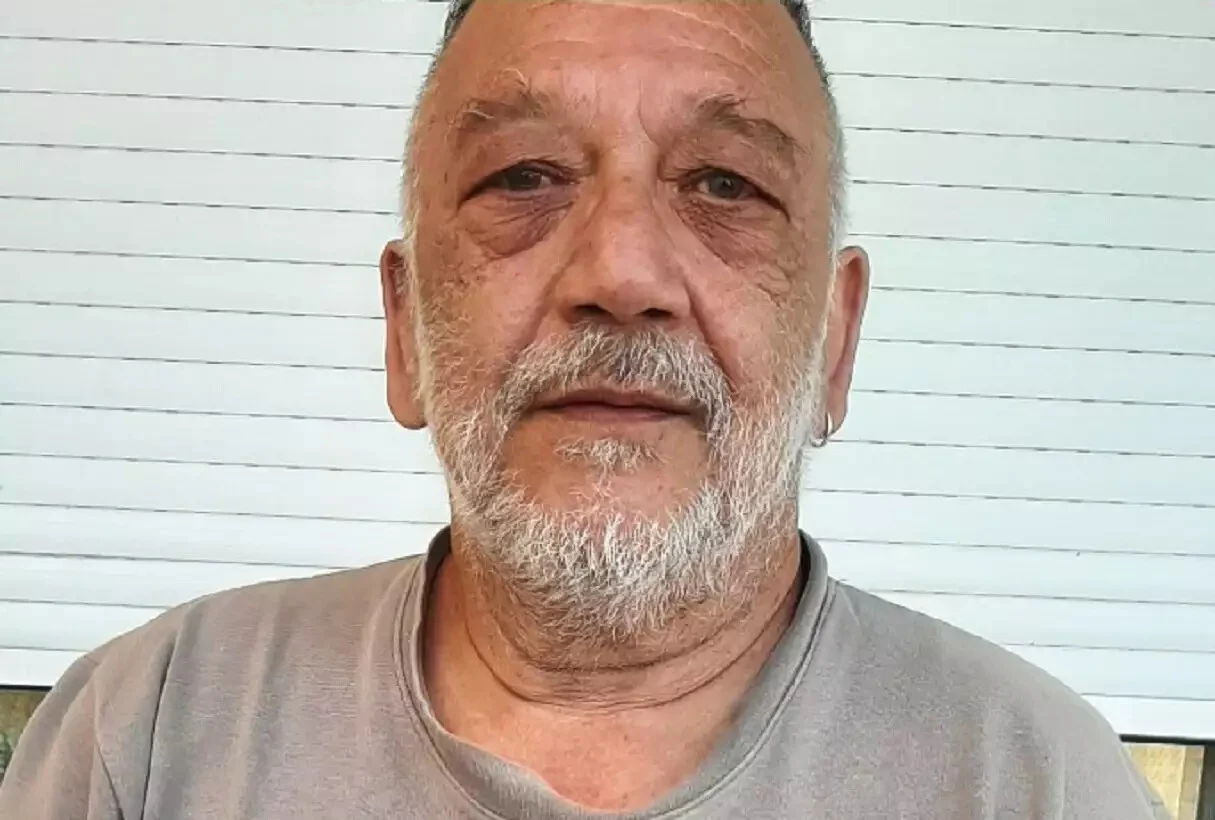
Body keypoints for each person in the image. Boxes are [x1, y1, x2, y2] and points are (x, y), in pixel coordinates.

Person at [0, 0, 1168, 817]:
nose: (620, 270)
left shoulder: (1037, 782)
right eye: (523, 177)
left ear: (834, 341)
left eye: (725, 185)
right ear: (405, 330)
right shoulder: (146, 737)